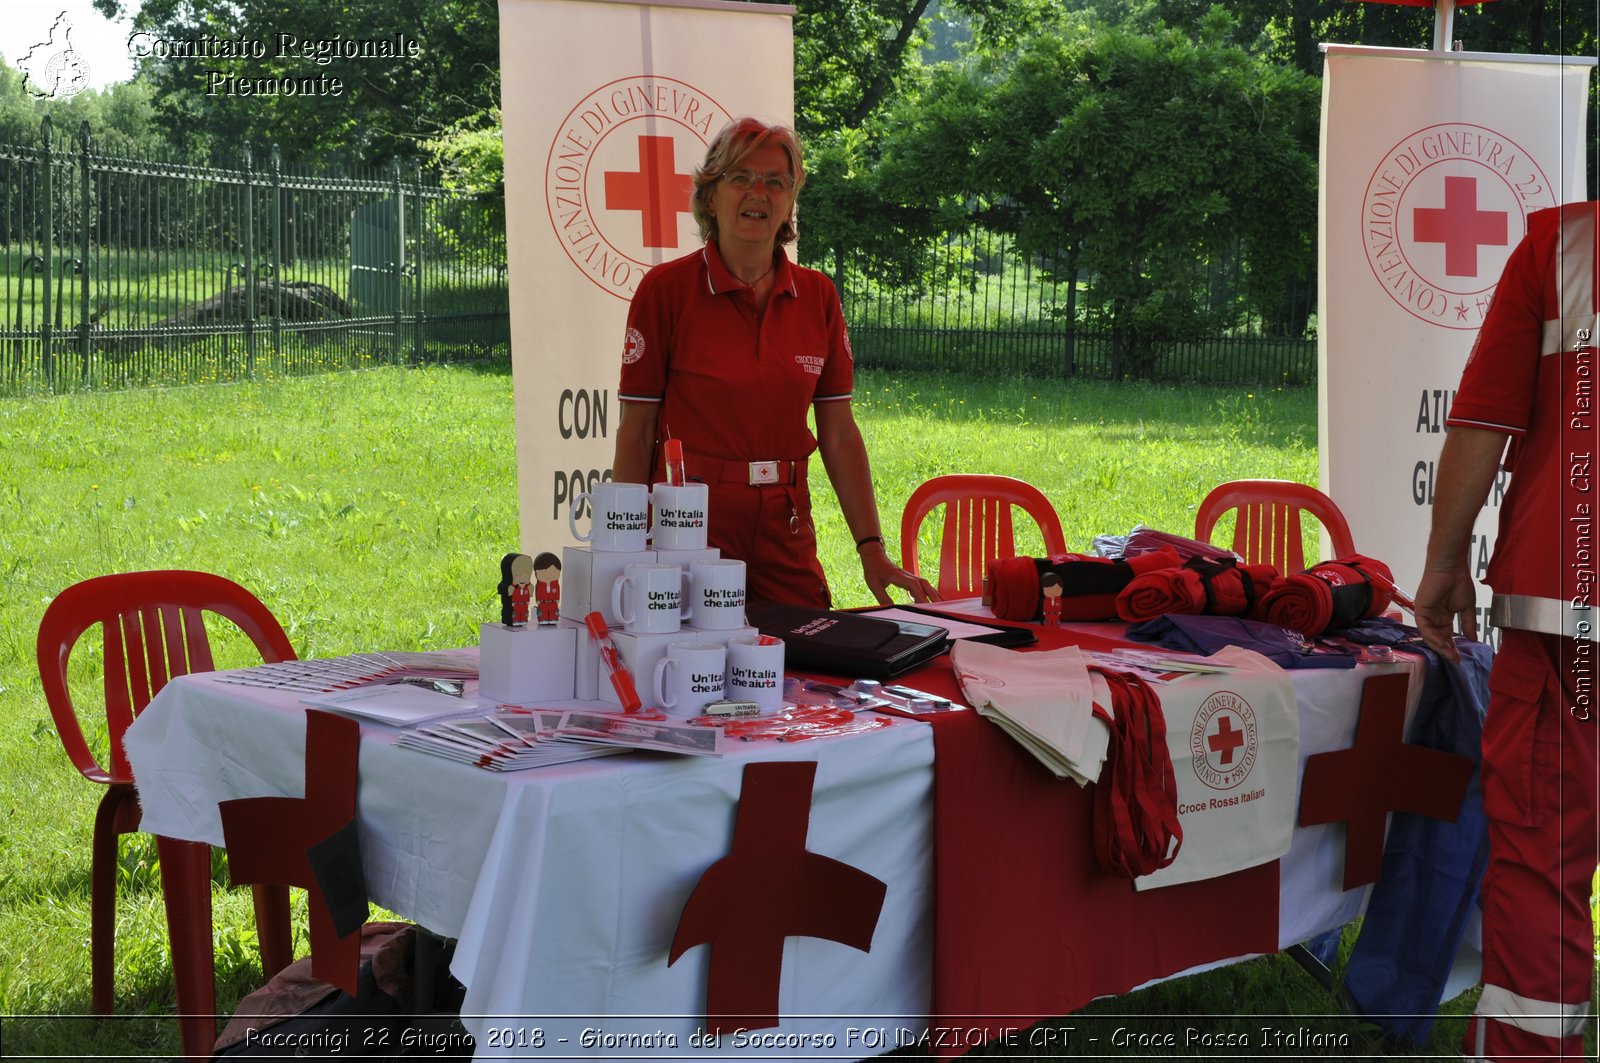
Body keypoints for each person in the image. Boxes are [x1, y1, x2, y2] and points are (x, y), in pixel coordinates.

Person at [1412, 201, 1597, 1062]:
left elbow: (1485, 418)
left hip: (1571, 605)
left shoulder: (1568, 248)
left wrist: (1445, 563)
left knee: (1545, 855)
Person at [611, 116, 933, 609]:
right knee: (689, 667)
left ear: (789, 202)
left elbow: (840, 433)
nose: (757, 193)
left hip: (785, 520)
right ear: (710, 195)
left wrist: (872, 551)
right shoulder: (665, 291)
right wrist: (626, 548)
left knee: (805, 661)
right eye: (740, 178)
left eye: (775, 182)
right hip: (689, 522)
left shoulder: (817, 295)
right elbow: (636, 432)